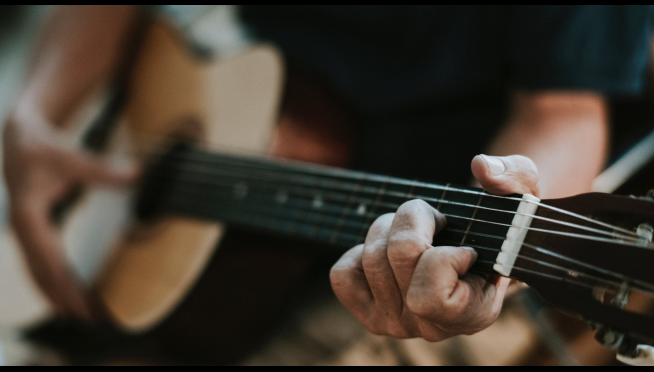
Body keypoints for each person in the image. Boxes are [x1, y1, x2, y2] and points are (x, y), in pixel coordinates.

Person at [3, 4, 652, 355]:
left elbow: (561, 108)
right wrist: (33, 118)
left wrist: (497, 269)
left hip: (385, 259)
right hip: (221, 116)